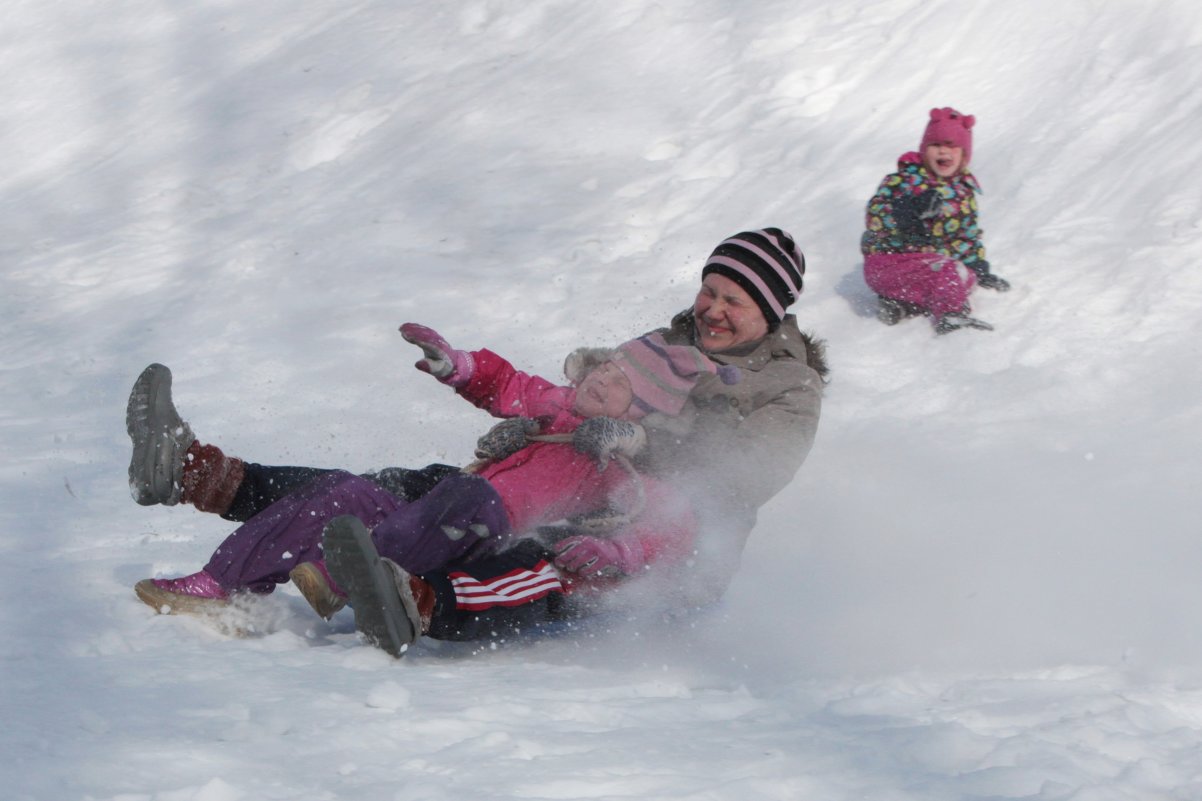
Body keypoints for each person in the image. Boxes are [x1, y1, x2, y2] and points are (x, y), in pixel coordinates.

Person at [129, 227, 828, 656]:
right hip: (561, 483)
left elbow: (744, 476)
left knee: (541, 559)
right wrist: (531, 424)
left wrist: (637, 441)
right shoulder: (664, 345)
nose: (712, 307)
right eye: (709, 290)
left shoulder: (788, 388)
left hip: (657, 545)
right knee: (408, 490)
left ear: (770, 312)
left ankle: (418, 598)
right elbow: (568, 394)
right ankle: (199, 473)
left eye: (733, 300)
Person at [133, 327, 733, 653]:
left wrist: (616, 551)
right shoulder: (552, 405)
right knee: (348, 491)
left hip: (489, 534)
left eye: (621, 383)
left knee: (468, 502)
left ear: (642, 415)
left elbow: (672, 527)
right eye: (605, 366)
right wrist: (459, 366)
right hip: (449, 505)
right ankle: (221, 582)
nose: (603, 377)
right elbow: (507, 383)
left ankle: (341, 577)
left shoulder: (622, 469)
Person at [861, 107, 1009, 334]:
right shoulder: (903, 181)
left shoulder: (963, 193)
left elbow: (966, 237)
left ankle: (902, 305)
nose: (944, 152)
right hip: (890, 265)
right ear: (924, 149)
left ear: (964, 155)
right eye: (936, 145)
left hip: (932, 268)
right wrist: (905, 210)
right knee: (949, 272)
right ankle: (952, 315)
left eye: (952, 147)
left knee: (965, 276)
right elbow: (875, 215)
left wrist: (979, 269)